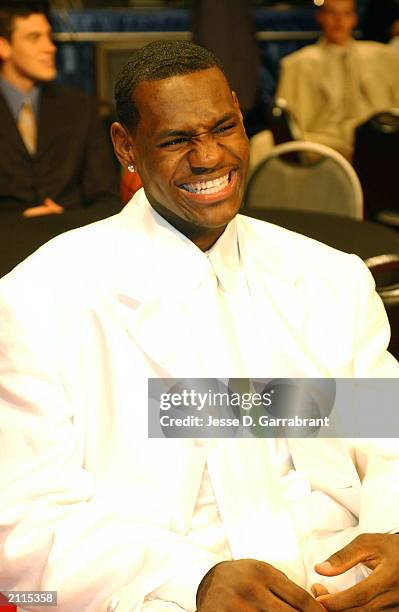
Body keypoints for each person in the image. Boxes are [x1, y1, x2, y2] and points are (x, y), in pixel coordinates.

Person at [0, 39, 399, 612]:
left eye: (223, 127)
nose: (209, 156)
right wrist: (197, 581)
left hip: (346, 585)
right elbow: (25, 528)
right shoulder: (42, 301)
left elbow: (388, 442)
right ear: (125, 147)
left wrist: (394, 541)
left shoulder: (328, 277)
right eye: (177, 139)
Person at [0, 1, 120, 216]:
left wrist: (64, 221)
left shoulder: (81, 109)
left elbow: (107, 199)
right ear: (4, 47)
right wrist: (19, 221)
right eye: (34, 38)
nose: (50, 47)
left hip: (70, 238)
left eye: (48, 36)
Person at [274, 0, 399, 160]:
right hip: (323, 139)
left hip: (374, 135)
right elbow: (285, 119)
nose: (339, 20)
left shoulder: (382, 57)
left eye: (346, 13)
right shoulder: (298, 63)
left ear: (354, 19)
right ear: (320, 17)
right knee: (262, 143)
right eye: (332, 13)